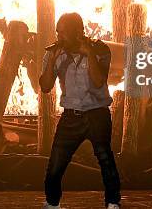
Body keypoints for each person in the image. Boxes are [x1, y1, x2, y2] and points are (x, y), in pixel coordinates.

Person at [39, 13, 121, 209]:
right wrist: (52, 60)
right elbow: (45, 86)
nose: (59, 37)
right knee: (56, 164)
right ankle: (52, 204)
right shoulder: (52, 53)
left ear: (78, 32)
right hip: (71, 116)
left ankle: (112, 202)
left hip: (97, 114)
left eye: (64, 33)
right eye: (58, 32)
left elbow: (98, 80)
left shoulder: (100, 50)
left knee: (105, 159)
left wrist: (89, 53)